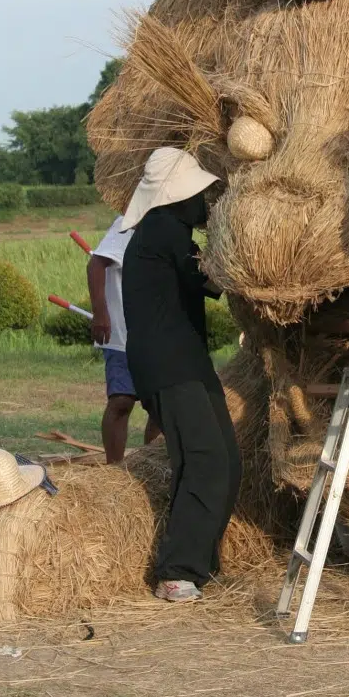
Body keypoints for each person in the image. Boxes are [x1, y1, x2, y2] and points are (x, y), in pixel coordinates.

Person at [121, 147, 241, 603]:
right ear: (176, 195)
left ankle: (200, 561)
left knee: (227, 461)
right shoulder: (162, 229)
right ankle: (176, 572)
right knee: (206, 460)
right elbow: (213, 279)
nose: (205, 203)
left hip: (186, 361)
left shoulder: (168, 232)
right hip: (169, 365)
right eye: (200, 194)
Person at [87, 216, 160, 463]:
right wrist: (100, 313)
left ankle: (152, 465)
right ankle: (114, 468)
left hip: (155, 336)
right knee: (121, 401)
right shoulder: (127, 223)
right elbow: (96, 264)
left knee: (160, 406)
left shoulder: (172, 227)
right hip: (120, 334)